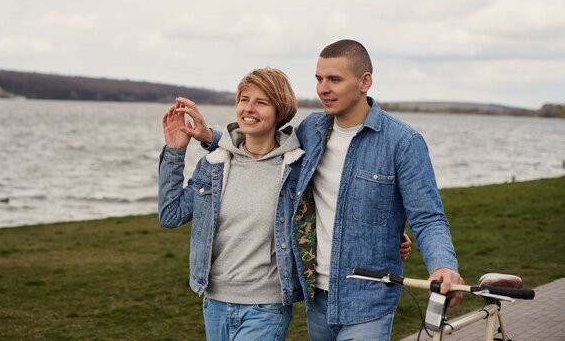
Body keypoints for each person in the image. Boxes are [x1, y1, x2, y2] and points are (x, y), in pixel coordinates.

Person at [183, 39, 462, 341]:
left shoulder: (403, 142)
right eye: (319, 79)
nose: (323, 88)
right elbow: (259, 150)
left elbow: (428, 217)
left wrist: (443, 265)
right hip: (317, 296)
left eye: (335, 79)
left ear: (364, 81)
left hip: (368, 298)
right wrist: (211, 137)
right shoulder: (311, 131)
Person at [158, 68, 304, 341]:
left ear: (280, 111)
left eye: (261, 102)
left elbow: (335, 201)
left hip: (266, 306)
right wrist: (176, 151)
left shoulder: (296, 168)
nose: (249, 108)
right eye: (244, 99)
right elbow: (171, 214)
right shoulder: (215, 164)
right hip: (214, 303)